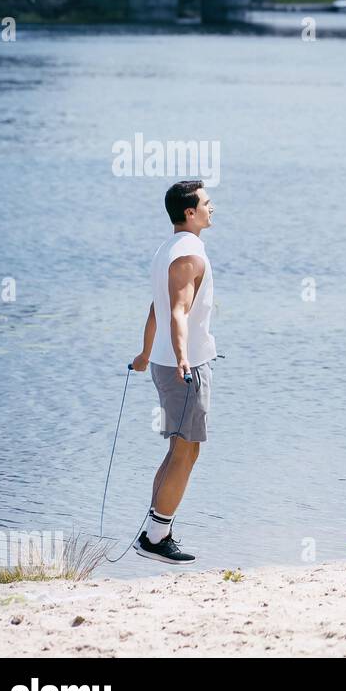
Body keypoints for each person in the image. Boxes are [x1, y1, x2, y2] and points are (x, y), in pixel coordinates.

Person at [128, 180, 217, 564]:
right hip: (184, 367)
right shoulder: (188, 256)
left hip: (169, 363)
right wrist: (182, 357)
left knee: (181, 448)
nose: (213, 208)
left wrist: (146, 353)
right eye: (207, 203)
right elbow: (177, 310)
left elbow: (156, 308)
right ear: (190, 213)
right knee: (185, 451)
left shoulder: (169, 249)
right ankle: (156, 536)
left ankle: (155, 530)